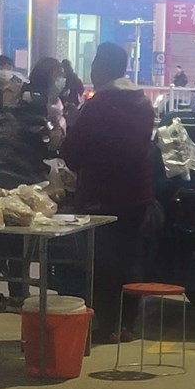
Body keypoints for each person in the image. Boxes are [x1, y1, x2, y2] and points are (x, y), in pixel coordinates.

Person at [61, 42, 156, 343]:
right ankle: (128, 325)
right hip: (138, 195)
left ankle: (108, 326)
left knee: (102, 262)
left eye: (94, 64)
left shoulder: (99, 105)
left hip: (101, 197)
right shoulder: (143, 104)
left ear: (102, 68)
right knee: (131, 258)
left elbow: (72, 153)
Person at [0, 57, 65, 310]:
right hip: (14, 171)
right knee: (18, 228)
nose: (61, 81)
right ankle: (17, 292)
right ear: (50, 77)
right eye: (59, 75)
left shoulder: (23, 94)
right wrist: (56, 140)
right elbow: (41, 140)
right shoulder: (36, 100)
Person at [60, 59, 84, 127]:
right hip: (71, 102)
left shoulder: (71, 78)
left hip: (71, 102)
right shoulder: (71, 77)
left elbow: (68, 89)